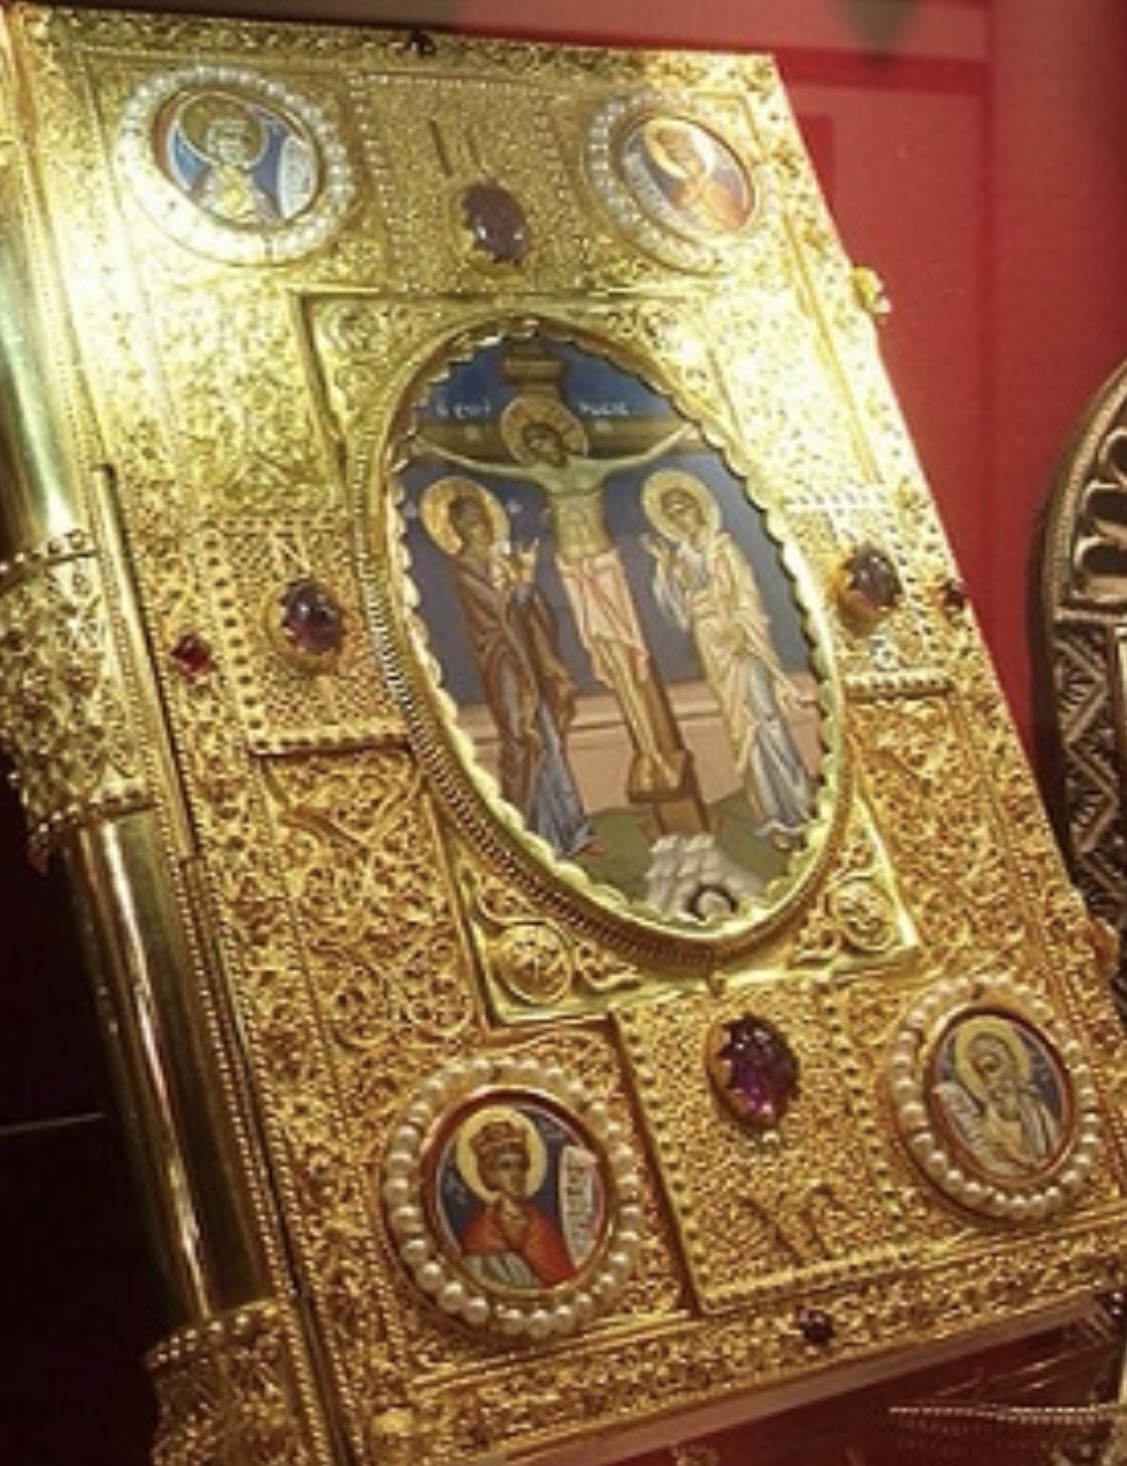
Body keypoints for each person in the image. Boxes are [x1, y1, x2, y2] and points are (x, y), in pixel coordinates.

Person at [414, 396, 697, 806]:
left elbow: (638, 456)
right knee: (611, 665)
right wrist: (438, 449)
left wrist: (678, 432)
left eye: (543, 439)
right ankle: (648, 755)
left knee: (630, 660)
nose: (540, 450)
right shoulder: (540, 476)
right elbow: (489, 467)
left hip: (604, 568)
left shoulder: (590, 468)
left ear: (559, 437)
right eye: (532, 446)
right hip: (572, 571)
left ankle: (655, 751)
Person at [421, 476, 592, 859]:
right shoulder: (465, 569)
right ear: (457, 530)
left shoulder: (501, 560)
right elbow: (496, 615)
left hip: (528, 660)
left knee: (548, 737)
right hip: (503, 667)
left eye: (482, 520)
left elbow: (529, 610)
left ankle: (572, 830)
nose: (480, 529)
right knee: (522, 738)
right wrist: (517, 586)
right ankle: (530, 829)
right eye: (470, 523)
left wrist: (525, 581)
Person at [642, 470, 815, 846]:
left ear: (699, 508)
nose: (680, 517)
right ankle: (772, 816)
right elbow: (678, 615)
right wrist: (664, 568)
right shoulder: (680, 559)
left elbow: (748, 595)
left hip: (741, 641)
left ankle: (800, 806)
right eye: (672, 513)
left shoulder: (724, 548)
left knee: (767, 719)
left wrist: (740, 628)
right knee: (741, 730)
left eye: (684, 507)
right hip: (712, 646)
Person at [935, 1016, 1063, 1179]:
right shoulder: (992, 1118)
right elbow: (999, 1148)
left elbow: (1054, 1143)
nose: (990, 1080)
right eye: (981, 1073)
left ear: (1011, 1062)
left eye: (992, 1067)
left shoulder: (1035, 1105)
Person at [459, 1117, 576, 1290]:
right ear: (491, 1175)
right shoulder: (481, 1233)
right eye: (505, 1167)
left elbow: (562, 1276)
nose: (516, 1175)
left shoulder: (542, 1227)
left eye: (520, 1165)